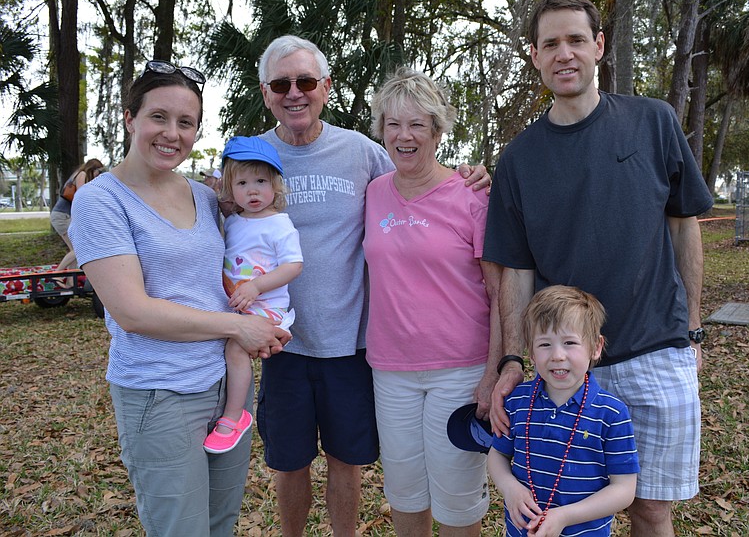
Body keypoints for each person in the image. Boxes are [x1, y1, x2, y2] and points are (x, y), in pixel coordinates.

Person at [483, 0, 713, 537]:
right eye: (550, 43)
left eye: (576, 40)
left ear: (599, 46)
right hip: (563, 363)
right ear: (534, 56)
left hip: (655, 348)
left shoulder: (653, 122)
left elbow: (685, 225)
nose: (564, 53)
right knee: (564, 510)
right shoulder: (519, 159)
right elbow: (515, 271)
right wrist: (515, 358)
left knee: (652, 508)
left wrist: (694, 328)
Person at [252, 34, 490, 537]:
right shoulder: (252, 159)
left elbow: (422, 179)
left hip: (352, 346)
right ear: (266, 91)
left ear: (326, 87)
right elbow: (222, 218)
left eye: (306, 81)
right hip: (284, 343)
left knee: (348, 460)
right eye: (281, 83)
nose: (295, 92)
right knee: (290, 463)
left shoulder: (362, 154)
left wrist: (475, 175)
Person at [68, 60, 289, 536]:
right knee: (181, 529)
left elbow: (242, 260)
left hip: (225, 386)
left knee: (220, 522)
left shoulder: (205, 197)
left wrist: (264, 321)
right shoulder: (101, 200)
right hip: (159, 392)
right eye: (158, 117)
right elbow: (132, 311)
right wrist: (237, 327)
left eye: (186, 123)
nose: (172, 133)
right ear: (130, 118)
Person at [363, 67, 501, 536]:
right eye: (393, 124)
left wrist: (494, 370)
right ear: (381, 130)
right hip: (391, 370)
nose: (404, 135)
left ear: (438, 131)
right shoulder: (373, 193)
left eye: (417, 124)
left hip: (459, 370)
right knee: (403, 493)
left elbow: (499, 291)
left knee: (458, 502)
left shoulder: (471, 194)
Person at [487, 285, 639, 536]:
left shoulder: (611, 414)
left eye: (569, 342)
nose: (557, 355)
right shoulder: (518, 401)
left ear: (595, 347)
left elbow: (624, 489)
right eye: (545, 344)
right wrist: (509, 488)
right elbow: (497, 455)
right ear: (531, 352)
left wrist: (564, 517)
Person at [202, 136, 303, 454]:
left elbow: (294, 266)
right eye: (242, 182)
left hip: (266, 308)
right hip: (236, 306)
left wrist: (257, 286)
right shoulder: (233, 222)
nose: (253, 190)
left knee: (234, 348)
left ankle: (234, 416)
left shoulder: (279, 224)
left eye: (261, 181)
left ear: (275, 184)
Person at [50, 158, 104, 285]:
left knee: (74, 250)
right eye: (98, 172)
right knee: (78, 249)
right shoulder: (82, 174)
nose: (98, 175)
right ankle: (57, 274)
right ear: (93, 169)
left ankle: (70, 283)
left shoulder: (80, 174)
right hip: (62, 216)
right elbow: (82, 197)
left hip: (64, 215)